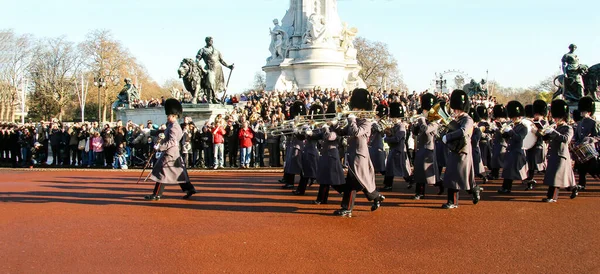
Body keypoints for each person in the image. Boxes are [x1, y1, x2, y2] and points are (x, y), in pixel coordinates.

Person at [334, 88, 385, 217]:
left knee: (353, 183)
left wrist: (351, 120)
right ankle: (376, 196)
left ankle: (347, 209)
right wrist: (333, 126)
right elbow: (343, 132)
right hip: (353, 154)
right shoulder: (356, 120)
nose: (354, 110)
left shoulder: (366, 122)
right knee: (359, 181)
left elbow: (356, 133)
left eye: (356, 108)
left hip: (360, 155)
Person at [145, 99, 197, 201]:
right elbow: (165, 134)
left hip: (170, 153)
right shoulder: (171, 125)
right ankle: (190, 189)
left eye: (168, 115)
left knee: (161, 173)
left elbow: (173, 142)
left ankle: (156, 194)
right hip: (173, 153)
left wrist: (160, 147)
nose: (167, 117)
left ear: (173, 115)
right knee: (178, 172)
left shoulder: (174, 127)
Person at [441, 89, 481, 209]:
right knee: (454, 176)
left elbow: (463, 132)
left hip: (462, 151)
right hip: (454, 150)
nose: (455, 111)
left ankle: (454, 201)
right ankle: (472, 190)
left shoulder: (468, 120)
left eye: (457, 109)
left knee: (458, 177)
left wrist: (448, 136)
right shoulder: (458, 119)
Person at [541, 99, 578, 202]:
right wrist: (545, 134)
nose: (556, 119)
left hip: (561, 155)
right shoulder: (555, 127)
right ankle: (573, 188)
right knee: (561, 176)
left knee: (556, 176)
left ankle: (552, 197)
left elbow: (565, 139)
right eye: (555, 117)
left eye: (558, 118)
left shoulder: (568, 128)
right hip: (553, 154)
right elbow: (548, 139)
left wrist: (553, 132)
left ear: (563, 117)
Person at [412, 93, 439, 200]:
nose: (423, 112)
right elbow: (416, 133)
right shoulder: (423, 120)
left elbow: (427, 130)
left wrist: (421, 120)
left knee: (429, 174)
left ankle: (440, 184)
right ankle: (419, 193)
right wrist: (414, 125)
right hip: (420, 149)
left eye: (425, 110)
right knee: (419, 172)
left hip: (429, 150)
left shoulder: (435, 122)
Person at [498, 101, 529, 193]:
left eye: (515, 117)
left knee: (516, 172)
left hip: (517, 151)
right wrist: (504, 133)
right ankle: (506, 188)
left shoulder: (523, 127)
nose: (514, 119)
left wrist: (510, 131)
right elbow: (509, 138)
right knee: (509, 171)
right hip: (510, 150)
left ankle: (528, 182)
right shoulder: (514, 126)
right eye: (513, 117)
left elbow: (519, 138)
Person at [381, 101, 413, 191]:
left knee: (400, 169)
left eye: (394, 117)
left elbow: (397, 138)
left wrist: (387, 139)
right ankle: (388, 184)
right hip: (394, 150)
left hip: (398, 151)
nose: (392, 119)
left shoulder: (401, 126)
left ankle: (410, 180)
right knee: (391, 168)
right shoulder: (395, 126)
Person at [196, 37, 234, 104]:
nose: (211, 42)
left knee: (215, 85)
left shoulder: (216, 51)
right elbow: (197, 59)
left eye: (212, 41)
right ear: (206, 41)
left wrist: (229, 66)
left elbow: (221, 61)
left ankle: (213, 98)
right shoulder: (202, 50)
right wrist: (200, 66)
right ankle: (209, 98)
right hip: (209, 68)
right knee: (210, 83)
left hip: (218, 69)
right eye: (210, 41)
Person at [573, 96, 598, 190]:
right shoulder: (579, 123)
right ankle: (582, 184)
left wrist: (589, 140)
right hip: (580, 149)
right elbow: (576, 136)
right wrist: (575, 142)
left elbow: (597, 136)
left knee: (593, 170)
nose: (582, 113)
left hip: (590, 149)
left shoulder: (593, 123)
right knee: (581, 169)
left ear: (589, 112)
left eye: (584, 111)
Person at [524, 100, 548, 190]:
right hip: (531, 145)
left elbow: (544, 135)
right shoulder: (531, 122)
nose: (536, 116)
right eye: (535, 114)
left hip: (539, 145)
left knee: (539, 165)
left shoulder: (545, 123)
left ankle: (549, 177)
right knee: (530, 165)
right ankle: (530, 181)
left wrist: (536, 132)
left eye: (538, 114)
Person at [488, 104, 508, 180]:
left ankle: (495, 174)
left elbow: (504, 134)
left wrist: (497, 129)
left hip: (502, 143)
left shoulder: (506, 123)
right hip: (496, 143)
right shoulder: (497, 122)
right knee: (494, 158)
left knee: (497, 159)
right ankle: (494, 172)